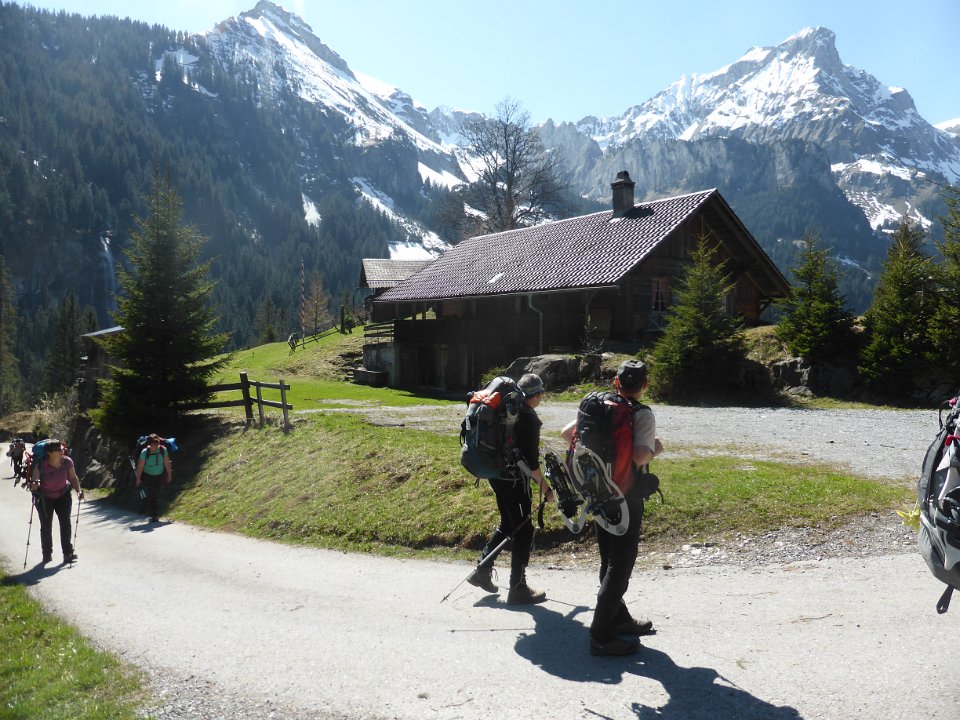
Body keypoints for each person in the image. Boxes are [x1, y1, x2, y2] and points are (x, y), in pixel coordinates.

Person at [561, 359, 664, 656]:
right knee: (621, 564)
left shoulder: (596, 404)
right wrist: (656, 449)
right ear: (644, 385)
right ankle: (602, 635)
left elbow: (566, 434)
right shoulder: (641, 413)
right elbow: (641, 457)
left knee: (608, 559)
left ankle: (619, 619)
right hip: (626, 495)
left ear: (616, 382)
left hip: (597, 491)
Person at [467, 373, 555, 604]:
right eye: (541, 394)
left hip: (496, 474)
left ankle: (482, 571)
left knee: (509, 523)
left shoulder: (507, 411)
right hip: (514, 480)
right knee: (524, 529)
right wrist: (546, 489)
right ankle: (518, 588)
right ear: (537, 395)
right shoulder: (529, 418)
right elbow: (532, 464)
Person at [28, 439, 83, 564]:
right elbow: (35, 479)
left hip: (63, 496)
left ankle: (67, 553)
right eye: (57, 449)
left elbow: (73, 477)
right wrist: (35, 484)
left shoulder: (67, 461)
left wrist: (79, 491)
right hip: (45, 498)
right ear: (49, 453)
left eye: (61, 448)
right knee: (46, 526)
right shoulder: (40, 464)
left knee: (65, 524)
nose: (61, 451)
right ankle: (47, 554)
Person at [135, 434, 172, 522]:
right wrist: (138, 478)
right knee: (152, 494)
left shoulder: (163, 450)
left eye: (156, 444)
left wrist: (169, 475)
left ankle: (147, 508)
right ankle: (154, 515)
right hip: (148, 475)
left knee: (155, 494)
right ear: (149, 444)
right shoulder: (145, 452)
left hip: (159, 475)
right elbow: (140, 466)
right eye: (152, 445)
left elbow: (167, 463)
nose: (154, 447)